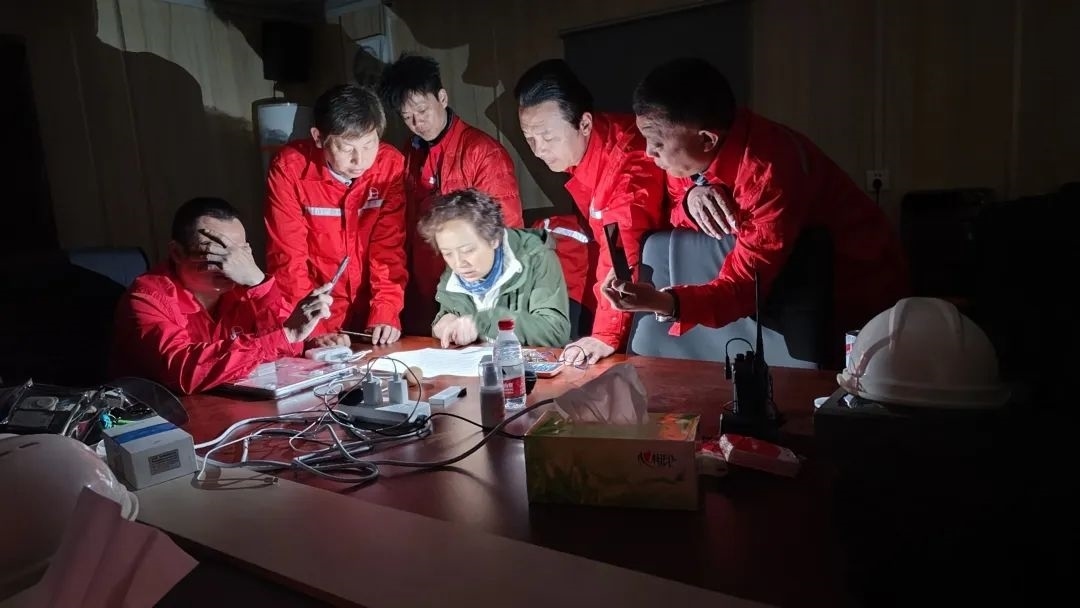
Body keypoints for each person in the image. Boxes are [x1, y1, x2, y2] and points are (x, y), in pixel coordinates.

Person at [603, 57, 909, 349]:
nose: (648, 153)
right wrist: (690, 196)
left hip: (857, 291)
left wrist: (661, 302)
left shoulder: (767, 176)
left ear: (707, 139)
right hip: (793, 283)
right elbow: (674, 192)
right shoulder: (705, 144)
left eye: (656, 143)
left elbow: (743, 287)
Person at [514, 59, 667, 364]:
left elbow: (623, 251)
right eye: (529, 138)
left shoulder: (626, 163)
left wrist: (604, 335)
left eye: (547, 137)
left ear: (584, 124)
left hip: (670, 281)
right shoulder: (588, 151)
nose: (538, 149)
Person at [111, 197, 347, 395]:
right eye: (216, 250)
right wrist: (286, 335)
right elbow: (183, 372)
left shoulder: (245, 289)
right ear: (177, 253)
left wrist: (259, 283)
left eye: (239, 251)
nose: (230, 262)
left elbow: (287, 345)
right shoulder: (147, 296)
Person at [379, 54, 525, 334]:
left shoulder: (482, 152)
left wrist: (482, 312)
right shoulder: (407, 156)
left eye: (422, 110)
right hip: (423, 296)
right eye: (407, 116)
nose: (417, 122)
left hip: (470, 297)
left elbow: (506, 233)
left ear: (442, 98)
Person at [264, 84, 406, 345]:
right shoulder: (290, 169)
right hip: (318, 308)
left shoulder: (390, 165)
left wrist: (385, 312)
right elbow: (288, 259)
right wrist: (312, 327)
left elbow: (389, 249)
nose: (360, 160)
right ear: (318, 138)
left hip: (370, 310)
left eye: (369, 144)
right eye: (346, 148)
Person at [419, 188, 570, 348]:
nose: (458, 263)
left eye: (468, 250)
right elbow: (448, 313)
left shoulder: (536, 257)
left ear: (494, 239)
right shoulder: (455, 268)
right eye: (447, 253)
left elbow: (555, 331)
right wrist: (445, 324)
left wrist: (484, 322)